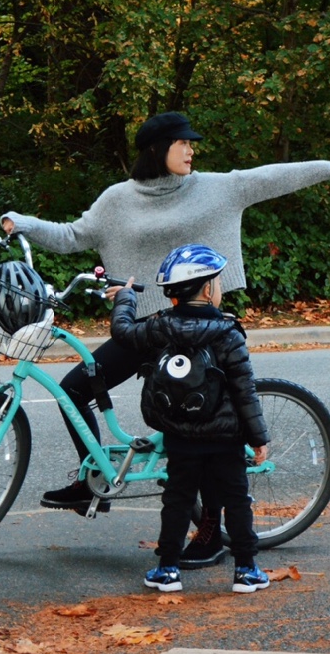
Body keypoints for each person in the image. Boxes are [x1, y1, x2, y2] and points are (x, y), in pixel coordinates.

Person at [2, 111, 330, 529]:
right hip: (146, 329)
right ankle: (91, 480)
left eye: (191, 143)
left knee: (196, 430)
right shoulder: (118, 199)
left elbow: (272, 177)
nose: (191, 150)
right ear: (157, 149)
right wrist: (21, 222)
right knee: (74, 389)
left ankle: (210, 534)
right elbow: (72, 235)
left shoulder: (214, 189)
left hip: (195, 326)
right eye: (182, 143)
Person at [111, 244, 270, 593]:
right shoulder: (228, 334)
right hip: (225, 438)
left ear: (173, 296)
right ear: (208, 289)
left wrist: (124, 298)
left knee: (178, 500)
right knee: (236, 500)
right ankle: (246, 569)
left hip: (180, 436)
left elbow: (122, 332)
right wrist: (258, 437)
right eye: (217, 282)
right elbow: (245, 391)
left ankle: (167, 569)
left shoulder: (160, 328)